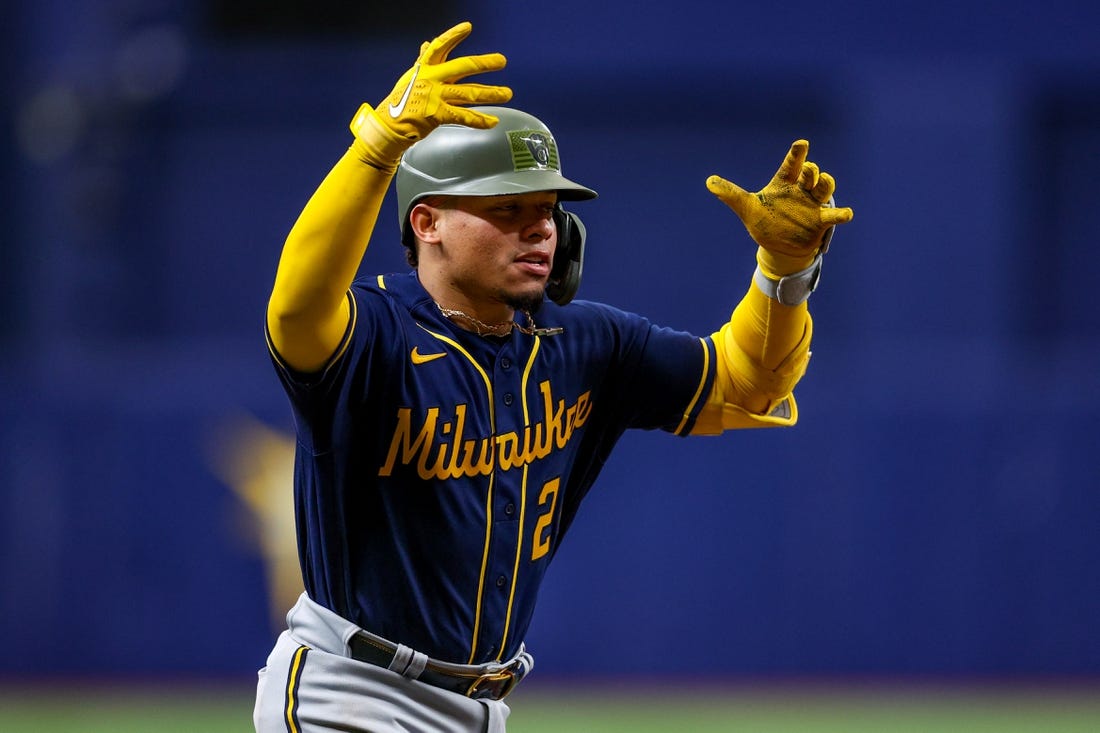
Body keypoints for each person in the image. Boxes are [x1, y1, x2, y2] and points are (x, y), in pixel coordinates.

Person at [254, 20, 853, 733]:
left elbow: (746, 382)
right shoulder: (375, 334)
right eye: (506, 208)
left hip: (480, 707)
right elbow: (297, 306)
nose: (538, 228)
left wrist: (784, 276)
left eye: (546, 210)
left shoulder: (587, 342)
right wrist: (377, 147)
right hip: (350, 693)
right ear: (428, 222)